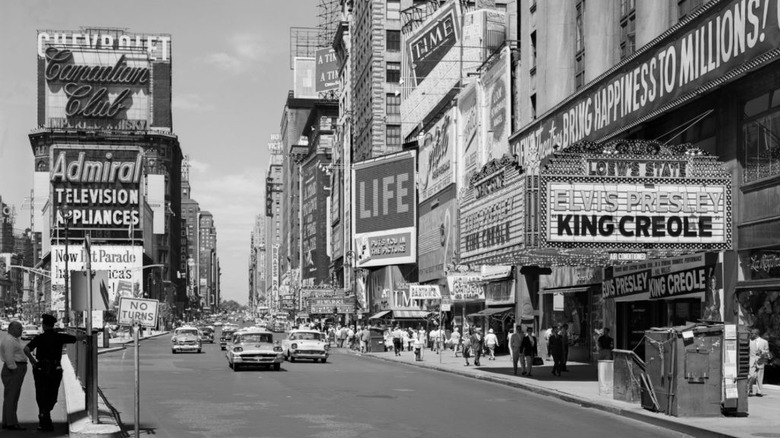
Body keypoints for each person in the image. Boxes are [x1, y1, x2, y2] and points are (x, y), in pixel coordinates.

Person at [24, 314, 83, 431]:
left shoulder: (39, 338)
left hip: (40, 368)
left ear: (44, 326)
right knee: (52, 393)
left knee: (41, 394)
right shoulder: (59, 337)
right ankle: (46, 415)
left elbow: (26, 349)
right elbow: (76, 338)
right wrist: (89, 335)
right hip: (55, 368)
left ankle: (43, 418)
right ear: (52, 325)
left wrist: (32, 361)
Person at [1, 321, 27, 430]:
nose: (21, 330)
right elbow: (9, 357)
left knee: (11, 397)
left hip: (16, 369)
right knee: (12, 397)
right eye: (19, 328)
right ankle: (11, 423)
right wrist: (14, 369)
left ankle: (8, 421)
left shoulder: (14, 339)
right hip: (14, 370)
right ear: (12, 329)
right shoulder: (9, 341)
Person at [748, 328, 771, 397]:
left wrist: (762, 352)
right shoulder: (750, 341)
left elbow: (767, 351)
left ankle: (759, 391)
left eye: (752, 333)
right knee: (751, 376)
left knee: (759, 377)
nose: (751, 334)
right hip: (752, 361)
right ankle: (749, 389)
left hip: (761, 361)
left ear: (756, 334)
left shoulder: (764, 342)